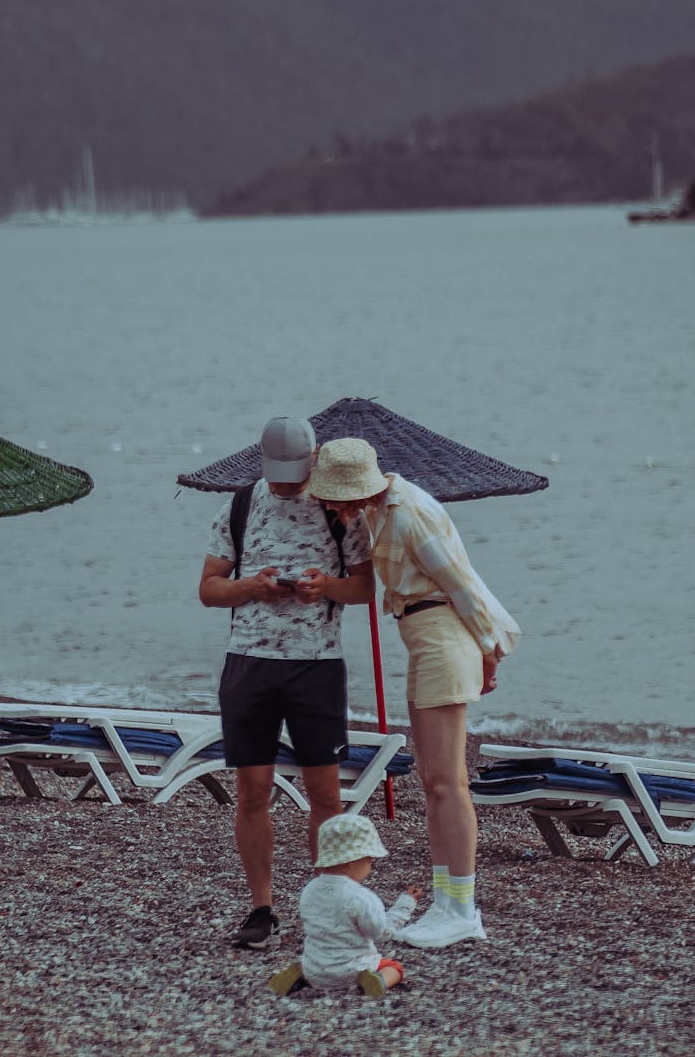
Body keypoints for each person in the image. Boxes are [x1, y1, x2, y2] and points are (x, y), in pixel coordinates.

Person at [308, 437, 520, 950]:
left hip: (445, 638)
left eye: (335, 496)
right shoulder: (379, 512)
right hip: (426, 640)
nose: (331, 504)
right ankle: (448, 902)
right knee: (432, 782)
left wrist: (490, 653)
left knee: (449, 783)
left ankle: (461, 908)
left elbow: (464, 586)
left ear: (359, 488)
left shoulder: (409, 514)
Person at [199, 416, 375, 950]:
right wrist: (250, 586)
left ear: (315, 459)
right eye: (277, 474)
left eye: (294, 474)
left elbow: (365, 589)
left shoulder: (341, 511)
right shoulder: (239, 505)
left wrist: (326, 587)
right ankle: (261, 908)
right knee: (252, 793)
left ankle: (332, 901)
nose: (284, 484)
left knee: (325, 793)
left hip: (316, 666)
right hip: (248, 664)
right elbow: (209, 589)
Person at [268, 813, 421, 998]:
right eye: (369, 860)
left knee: (314, 959)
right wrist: (405, 905)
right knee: (394, 967)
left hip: (316, 970)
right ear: (351, 861)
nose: (370, 866)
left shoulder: (309, 890)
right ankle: (377, 981)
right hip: (354, 970)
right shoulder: (360, 897)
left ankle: (301, 974)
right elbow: (381, 933)